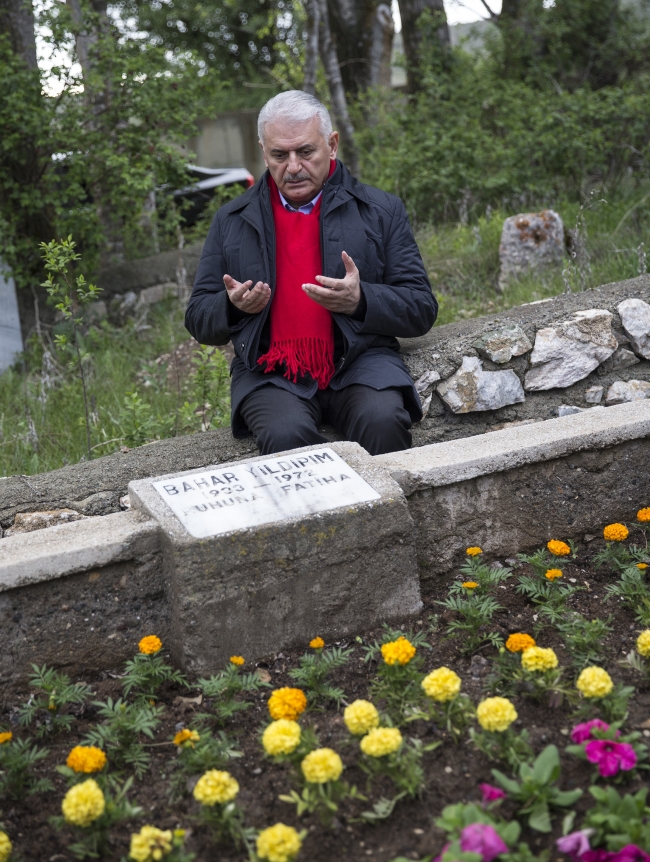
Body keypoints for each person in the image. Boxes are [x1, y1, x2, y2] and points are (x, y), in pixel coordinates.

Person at [185, 90, 437, 456]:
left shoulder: (381, 209)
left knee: (382, 421)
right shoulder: (231, 220)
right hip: (268, 373)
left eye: (305, 152)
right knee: (286, 438)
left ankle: (389, 515)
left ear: (332, 145)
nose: (293, 166)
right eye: (279, 155)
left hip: (360, 362)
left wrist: (361, 300)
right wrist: (233, 307)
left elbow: (421, 308)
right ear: (263, 152)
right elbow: (197, 318)